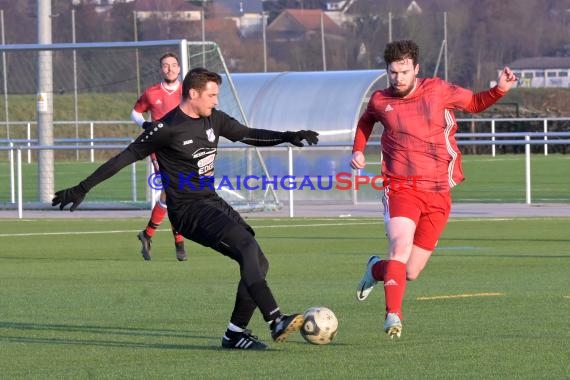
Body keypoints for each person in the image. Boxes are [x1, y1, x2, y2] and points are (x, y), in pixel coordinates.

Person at [52, 67, 319, 350]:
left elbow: (248, 134)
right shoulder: (165, 128)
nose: (216, 101)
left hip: (211, 202)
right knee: (246, 247)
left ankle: (234, 334)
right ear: (193, 93)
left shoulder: (213, 119)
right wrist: (82, 188)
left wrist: (288, 135)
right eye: (212, 95)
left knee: (257, 261)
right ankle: (275, 319)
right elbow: (123, 158)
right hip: (187, 211)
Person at [351, 40, 517, 339]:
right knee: (399, 248)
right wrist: (358, 150)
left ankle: (376, 269)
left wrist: (500, 89)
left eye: (404, 72)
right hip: (400, 186)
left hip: (439, 191)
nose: (398, 78)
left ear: (416, 69)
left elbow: (476, 104)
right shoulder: (380, 100)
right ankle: (393, 316)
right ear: (387, 72)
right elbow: (366, 122)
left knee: (410, 271)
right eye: (392, 72)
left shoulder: (438, 91)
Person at [131, 52, 186, 261]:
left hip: (183, 149)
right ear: (161, 69)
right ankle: (179, 241)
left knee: (177, 193)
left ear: (179, 69)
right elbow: (135, 113)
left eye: (173, 65)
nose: (170, 69)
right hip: (159, 148)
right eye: (165, 65)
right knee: (172, 191)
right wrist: (145, 125)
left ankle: (147, 234)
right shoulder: (151, 92)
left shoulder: (187, 92)